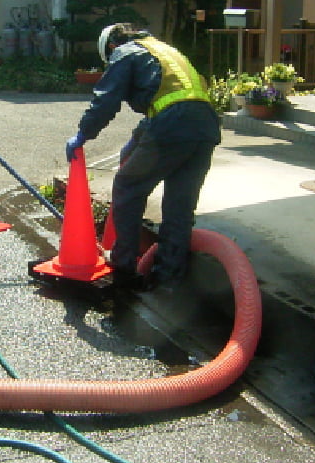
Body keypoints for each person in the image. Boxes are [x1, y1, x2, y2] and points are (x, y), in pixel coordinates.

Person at [65, 23, 220, 291]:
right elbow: (170, 100)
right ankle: (168, 281)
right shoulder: (164, 50)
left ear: (111, 46)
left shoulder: (125, 52)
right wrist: (137, 140)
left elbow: (106, 99)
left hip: (173, 124)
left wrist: (83, 134)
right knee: (179, 208)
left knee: (128, 187)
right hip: (205, 125)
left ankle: (124, 268)